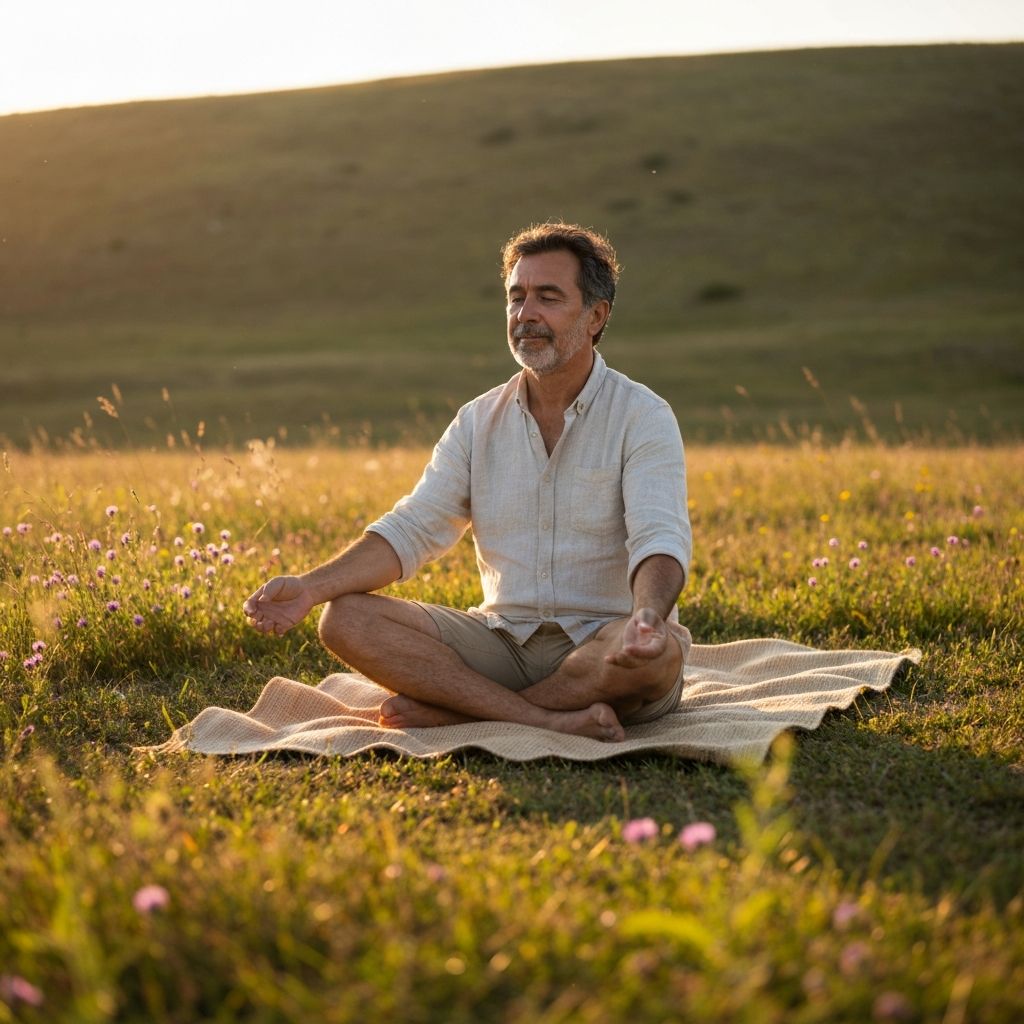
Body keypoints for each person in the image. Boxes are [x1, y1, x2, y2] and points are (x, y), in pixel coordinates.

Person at [243, 222, 692, 742]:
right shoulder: (477, 422)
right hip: (503, 641)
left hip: (607, 643)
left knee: (655, 659)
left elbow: (660, 539)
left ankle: (466, 714)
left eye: (548, 298)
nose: (527, 315)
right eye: (516, 298)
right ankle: (539, 717)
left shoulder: (643, 416)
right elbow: (413, 529)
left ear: (596, 316)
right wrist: (308, 588)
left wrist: (647, 617)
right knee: (344, 620)